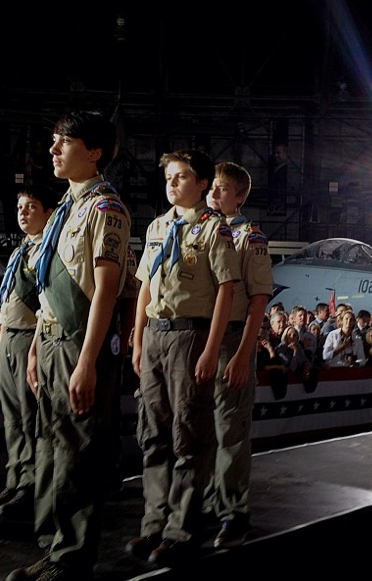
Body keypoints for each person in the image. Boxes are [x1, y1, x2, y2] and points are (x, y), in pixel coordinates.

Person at [6, 111, 131, 581]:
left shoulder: (106, 209)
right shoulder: (64, 210)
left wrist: (87, 362)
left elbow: (104, 290)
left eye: (64, 142)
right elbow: (44, 291)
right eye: (52, 142)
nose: (53, 150)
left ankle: (73, 556)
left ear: (94, 151)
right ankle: (51, 546)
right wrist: (38, 345)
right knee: (50, 448)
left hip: (81, 346)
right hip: (53, 341)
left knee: (78, 452)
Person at [125, 149, 241, 568]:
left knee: (188, 435)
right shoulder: (158, 227)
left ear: (203, 184)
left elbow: (227, 289)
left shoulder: (214, 230)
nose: (172, 183)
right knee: (152, 433)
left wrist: (212, 348)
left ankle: (182, 529)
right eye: (170, 177)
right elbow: (143, 288)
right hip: (156, 335)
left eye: (182, 177)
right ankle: (154, 522)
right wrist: (137, 340)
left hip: (191, 335)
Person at [202, 161, 272, 548]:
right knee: (201, 431)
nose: (214, 194)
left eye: (223, 189)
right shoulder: (199, 231)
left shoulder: (250, 236)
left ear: (240, 196)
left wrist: (243, 354)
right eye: (211, 187)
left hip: (231, 340)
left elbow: (258, 299)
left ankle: (233, 513)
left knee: (230, 431)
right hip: (200, 340)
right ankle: (207, 501)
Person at [0, 183, 55, 521]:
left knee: (30, 418)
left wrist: (35, 351)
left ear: (49, 212)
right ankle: (14, 479)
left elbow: (44, 304)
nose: (23, 213)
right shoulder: (19, 251)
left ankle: (31, 485)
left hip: (30, 339)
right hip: (9, 338)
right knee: (11, 418)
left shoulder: (48, 251)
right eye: (20, 208)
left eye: (31, 207)